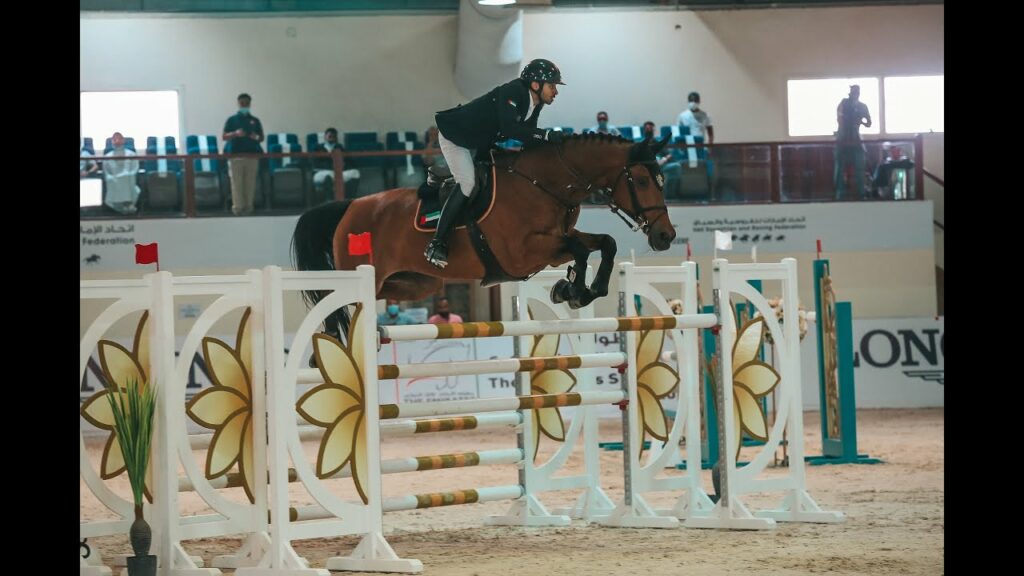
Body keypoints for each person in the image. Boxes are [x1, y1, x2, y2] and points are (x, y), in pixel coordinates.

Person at [425, 58, 565, 269]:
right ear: (536, 85)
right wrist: (545, 135)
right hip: (456, 137)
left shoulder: (535, 104)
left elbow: (528, 137)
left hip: (481, 141)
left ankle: (447, 175)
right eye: (552, 86)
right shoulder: (514, 92)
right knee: (467, 183)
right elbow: (511, 130)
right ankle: (437, 243)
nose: (555, 91)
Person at [222, 93, 264, 215]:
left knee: (250, 183)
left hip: (252, 156)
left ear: (250, 104)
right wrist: (235, 133)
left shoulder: (255, 121)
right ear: (238, 103)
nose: (244, 105)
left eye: (246, 103)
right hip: (235, 157)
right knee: (236, 184)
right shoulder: (231, 120)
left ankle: (248, 208)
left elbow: (261, 138)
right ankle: (238, 209)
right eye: (242, 103)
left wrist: (254, 136)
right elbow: (224, 136)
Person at [834, 84, 872, 200]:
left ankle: (861, 194)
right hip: (843, 139)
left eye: (856, 92)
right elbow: (839, 119)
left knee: (860, 167)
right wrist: (848, 120)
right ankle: (838, 194)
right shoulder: (844, 103)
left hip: (856, 139)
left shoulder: (863, 106)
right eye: (852, 92)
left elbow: (869, 123)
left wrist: (860, 122)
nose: (854, 94)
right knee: (839, 168)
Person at [311, 127, 361, 201]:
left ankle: (350, 199)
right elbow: (315, 163)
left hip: (338, 172)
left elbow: (348, 161)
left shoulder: (340, 147)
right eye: (330, 136)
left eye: (334, 137)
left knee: (356, 173)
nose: (332, 138)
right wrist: (331, 166)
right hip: (323, 171)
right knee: (327, 176)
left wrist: (343, 165)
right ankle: (329, 200)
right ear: (325, 137)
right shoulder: (318, 148)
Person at [102, 132, 140, 215]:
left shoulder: (131, 154)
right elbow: (106, 172)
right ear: (111, 141)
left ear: (123, 140)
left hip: (128, 178)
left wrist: (129, 174)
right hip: (113, 180)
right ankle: (122, 205)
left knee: (126, 177)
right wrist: (109, 176)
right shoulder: (107, 156)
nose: (117, 141)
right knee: (114, 179)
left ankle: (127, 203)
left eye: (119, 138)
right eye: (114, 139)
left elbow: (135, 168)